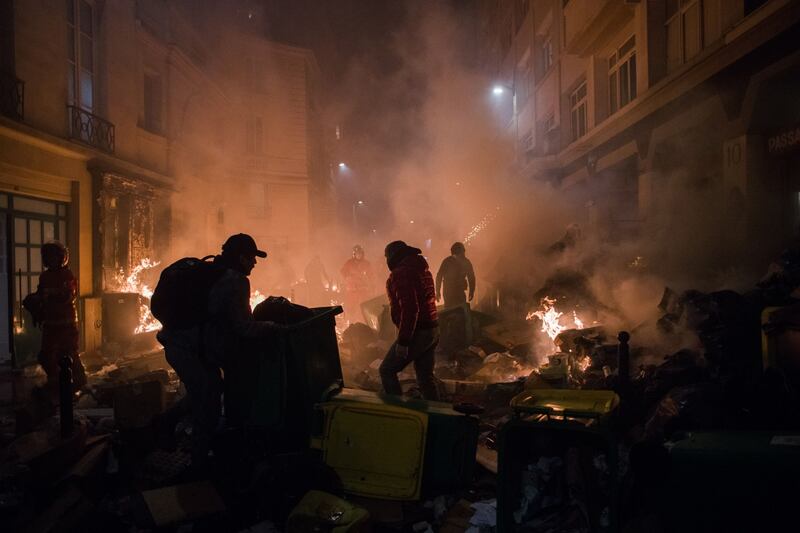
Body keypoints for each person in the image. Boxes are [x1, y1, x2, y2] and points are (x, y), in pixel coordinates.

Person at [156, 233, 283, 465]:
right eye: (251, 258)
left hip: (181, 346)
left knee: (210, 389)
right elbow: (243, 327)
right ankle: (198, 464)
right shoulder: (235, 281)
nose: (254, 263)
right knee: (209, 406)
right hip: (189, 351)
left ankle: (166, 423)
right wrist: (273, 327)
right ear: (241, 257)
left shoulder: (209, 272)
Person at [379, 240, 440, 400]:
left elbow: (410, 308)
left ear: (393, 256)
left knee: (386, 370)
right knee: (425, 378)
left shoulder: (402, 273)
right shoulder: (422, 269)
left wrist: (403, 341)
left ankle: (398, 416)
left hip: (417, 332)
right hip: (432, 329)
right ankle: (436, 417)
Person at [30, 242, 87, 402]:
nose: (52, 260)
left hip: (67, 323)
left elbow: (68, 296)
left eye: (54, 256)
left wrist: (50, 298)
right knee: (46, 356)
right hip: (50, 324)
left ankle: (78, 382)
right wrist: (34, 302)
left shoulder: (67, 275)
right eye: (48, 257)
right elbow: (40, 295)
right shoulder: (44, 276)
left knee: (68, 354)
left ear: (61, 258)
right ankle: (55, 385)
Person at [435, 242, 476, 308]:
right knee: (460, 311)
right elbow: (471, 277)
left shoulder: (447, 261)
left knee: (450, 311)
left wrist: (437, 291)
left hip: (450, 291)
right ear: (461, 251)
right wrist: (471, 291)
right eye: (463, 251)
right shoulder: (465, 262)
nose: (464, 252)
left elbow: (439, 276)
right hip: (455, 291)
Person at [340, 244, 374, 323]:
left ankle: (365, 323)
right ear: (354, 254)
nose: (359, 255)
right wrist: (348, 277)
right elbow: (343, 271)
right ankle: (352, 324)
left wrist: (371, 284)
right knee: (351, 309)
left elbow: (371, 275)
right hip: (352, 290)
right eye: (358, 253)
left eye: (360, 253)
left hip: (363, 290)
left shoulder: (366, 263)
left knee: (363, 308)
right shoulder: (349, 263)